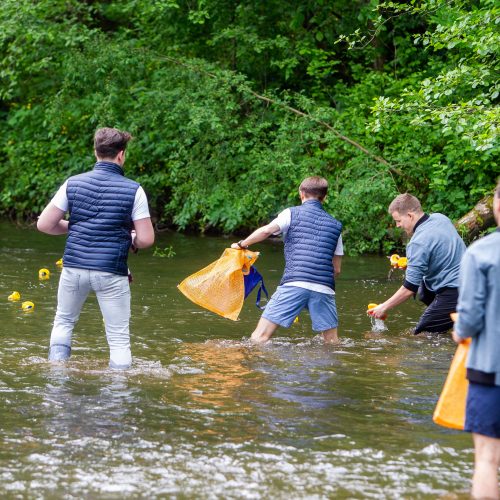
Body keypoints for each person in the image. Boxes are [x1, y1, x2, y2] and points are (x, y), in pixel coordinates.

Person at [37, 127, 154, 369]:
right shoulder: (134, 190)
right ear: (121, 155)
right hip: (111, 270)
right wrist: (130, 238)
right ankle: (118, 394)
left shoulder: (73, 183)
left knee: (64, 321)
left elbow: (45, 224)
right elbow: (146, 240)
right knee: (118, 336)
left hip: (74, 268)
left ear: (95, 152)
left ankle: (56, 378)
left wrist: (77, 225)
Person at [231, 176, 343, 344]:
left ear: (301, 194)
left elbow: (266, 231)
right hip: (324, 288)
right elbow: (336, 270)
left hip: (294, 283)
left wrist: (242, 244)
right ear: (324, 197)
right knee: (332, 343)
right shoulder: (336, 226)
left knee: (259, 338)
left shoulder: (291, 213)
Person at [452, 180, 500, 499]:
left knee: (486, 459)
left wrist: (459, 332)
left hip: (490, 369)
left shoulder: (482, 252)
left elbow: (468, 318)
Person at [369, 193, 465, 334]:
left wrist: (383, 307)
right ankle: (450, 320)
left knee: (420, 335)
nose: (397, 225)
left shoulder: (417, 242)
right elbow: (443, 251)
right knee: (424, 291)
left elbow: (409, 288)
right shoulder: (441, 218)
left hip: (455, 290)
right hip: (472, 282)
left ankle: (446, 321)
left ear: (410, 216)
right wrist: (411, 264)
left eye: (398, 221)